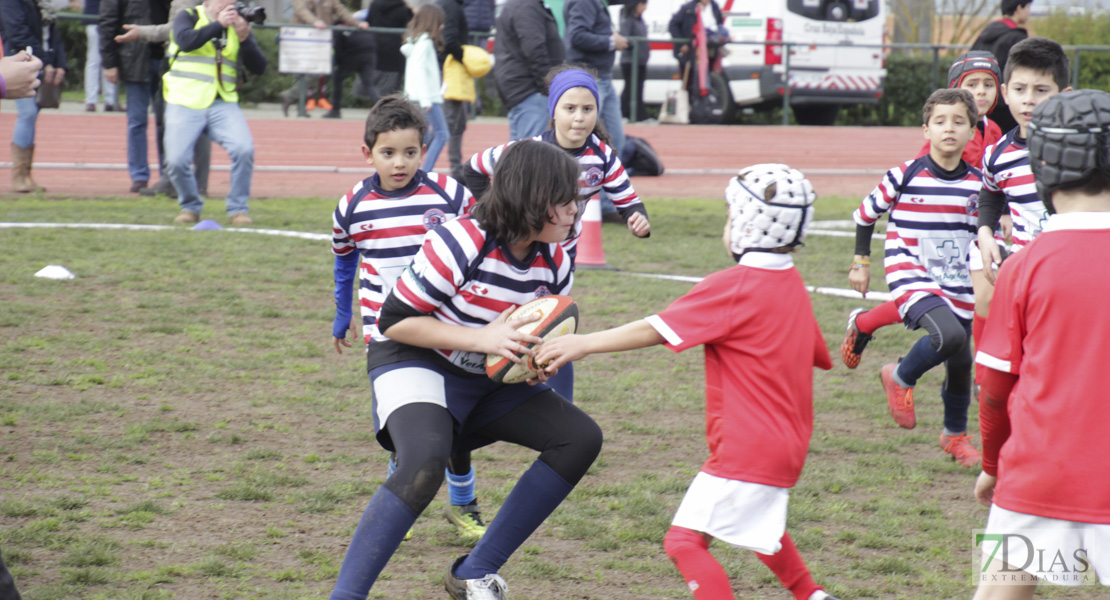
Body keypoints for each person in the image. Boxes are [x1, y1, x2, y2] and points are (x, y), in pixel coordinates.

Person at [534, 164, 839, 600]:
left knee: (683, 542)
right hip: (788, 443)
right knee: (758, 523)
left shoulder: (736, 285)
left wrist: (584, 344)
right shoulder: (791, 284)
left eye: (732, 217)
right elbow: (816, 354)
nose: (728, 226)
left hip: (748, 446)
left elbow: (656, 329)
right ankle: (812, 594)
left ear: (749, 224)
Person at [326, 139, 603, 600]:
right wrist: (482, 338)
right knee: (423, 463)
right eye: (565, 198)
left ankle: (475, 570)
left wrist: (537, 362)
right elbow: (395, 322)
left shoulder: (555, 261)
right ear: (534, 199)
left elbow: (528, 337)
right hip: (413, 357)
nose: (576, 209)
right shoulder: (463, 239)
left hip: (485, 378)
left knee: (579, 438)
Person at [972, 89, 1110, 598]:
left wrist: (992, 468)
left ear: (1043, 162)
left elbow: (992, 390)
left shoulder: (1024, 265)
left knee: (1000, 590)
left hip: (1039, 476)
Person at [330, 94, 486, 543]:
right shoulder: (352, 207)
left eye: (410, 152)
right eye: (388, 153)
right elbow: (344, 261)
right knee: (407, 424)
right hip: (387, 330)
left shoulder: (450, 195)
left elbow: (478, 246)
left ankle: (463, 504)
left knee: (454, 421)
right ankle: (402, 483)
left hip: (446, 326)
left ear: (424, 147)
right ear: (368, 153)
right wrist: (344, 313)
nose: (400, 162)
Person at [841, 51, 1006, 371]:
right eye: (972, 84)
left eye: (989, 84)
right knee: (959, 306)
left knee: (973, 308)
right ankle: (968, 377)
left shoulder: (994, 130)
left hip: (969, 233)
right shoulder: (945, 138)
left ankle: (964, 395)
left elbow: (994, 181)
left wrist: (1003, 213)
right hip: (931, 240)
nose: (982, 91)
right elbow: (921, 180)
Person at [848, 88, 983, 467]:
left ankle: (954, 436)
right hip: (910, 272)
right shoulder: (904, 174)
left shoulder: (979, 185)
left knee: (960, 362)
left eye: (959, 122)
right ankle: (900, 375)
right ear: (926, 130)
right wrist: (861, 260)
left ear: (972, 132)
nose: (949, 129)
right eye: (940, 122)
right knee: (951, 336)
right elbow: (864, 215)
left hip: (958, 280)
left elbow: (983, 232)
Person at [972, 37, 1070, 381]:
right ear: (1005, 91)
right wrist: (985, 233)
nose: (1029, 99)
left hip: (1071, 276)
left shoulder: (1084, 148)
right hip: (1025, 277)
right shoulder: (997, 154)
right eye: (1020, 88)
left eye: (1042, 90)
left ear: (1065, 93)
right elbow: (991, 194)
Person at [465, 66, 652, 242]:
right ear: (553, 110)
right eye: (570, 108)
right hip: (524, 245)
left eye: (587, 109)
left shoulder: (603, 157)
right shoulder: (529, 151)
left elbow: (628, 202)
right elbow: (472, 167)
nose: (579, 117)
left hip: (565, 250)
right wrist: (492, 213)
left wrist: (638, 219)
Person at [162, 0, 267, 226]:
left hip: (223, 102)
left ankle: (238, 209)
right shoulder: (188, 16)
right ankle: (190, 206)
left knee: (243, 149)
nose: (229, 5)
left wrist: (245, 39)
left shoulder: (238, 26)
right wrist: (217, 25)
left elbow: (260, 67)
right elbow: (185, 41)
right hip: (185, 100)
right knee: (176, 160)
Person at [110, 0, 213, 198]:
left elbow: (177, 31)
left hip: (185, 64)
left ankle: (177, 182)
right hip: (194, 63)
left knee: (176, 124)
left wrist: (141, 32)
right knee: (194, 125)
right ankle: (195, 183)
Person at [564, 0, 627, 221]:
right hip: (590, 77)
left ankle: (607, 207)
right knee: (583, 142)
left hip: (601, 77)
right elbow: (577, 36)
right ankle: (574, 202)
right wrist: (611, 41)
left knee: (614, 141)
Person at [100, 0, 171, 194]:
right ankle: (139, 176)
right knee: (137, 121)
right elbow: (107, 22)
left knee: (167, 122)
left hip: (167, 58)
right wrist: (109, 62)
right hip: (134, 58)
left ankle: (168, 175)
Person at [1, 0, 66, 194]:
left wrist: (60, 63)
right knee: (27, 113)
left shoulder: (41, 4)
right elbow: (17, 32)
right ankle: (18, 176)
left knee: (32, 115)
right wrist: (44, 62)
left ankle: (26, 175)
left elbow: (53, 36)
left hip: (39, 62)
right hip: (20, 64)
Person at [278, 0, 368, 117]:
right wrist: (315, 22)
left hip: (319, 40)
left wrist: (357, 23)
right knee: (299, 73)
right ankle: (300, 108)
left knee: (316, 72)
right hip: (299, 37)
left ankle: (289, 96)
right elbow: (301, 10)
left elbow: (342, 11)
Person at [492, 0, 564, 141]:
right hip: (530, 91)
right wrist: (548, 85)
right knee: (531, 154)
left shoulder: (523, 5)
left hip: (524, 89)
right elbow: (534, 49)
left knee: (519, 153)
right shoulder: (526, 6)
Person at [970, 0, 1032, 133]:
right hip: (1005, 105)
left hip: (982, 101)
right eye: (1027, 7)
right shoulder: (1016, 37)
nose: (1029, 12)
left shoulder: (985, 34)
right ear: (1019, 8)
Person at [400, 4, 448, 173]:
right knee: (442, 134)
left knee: (425, 136)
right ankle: (425, 172)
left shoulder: (416, 43)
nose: (442, 26)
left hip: (417, 96)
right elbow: (419, 71)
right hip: (426, 97)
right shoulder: (425, 43)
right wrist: (427, 100)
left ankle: (415, 168)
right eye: (440, 23)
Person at [668, 0, 726, 105]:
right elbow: (673, 25)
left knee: (707, 81)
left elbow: (719, 24)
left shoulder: (714, 6)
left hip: (709, 51)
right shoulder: (687, 8)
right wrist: (682, 43)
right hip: (691, 51)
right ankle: (688, 109)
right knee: (689, 82)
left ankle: (703, 109)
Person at [322, 11, 378, 120]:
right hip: (370, 53)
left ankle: (335, 110)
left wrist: (338, 63)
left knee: (338, 78)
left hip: (354, 53)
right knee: (369, 84)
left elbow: (338, 49)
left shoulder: (338, 28)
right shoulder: (361, 26)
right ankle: (383, 110)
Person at [437, 0, 469, 182]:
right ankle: (420, 162)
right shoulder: (451, 6)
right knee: (448, 123)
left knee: (457, 122)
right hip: (450, 70)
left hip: (450, 69)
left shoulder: (449, 5)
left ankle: (457, 169)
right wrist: (467, 58)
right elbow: (449, 40)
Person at [366, 0, 411, 99]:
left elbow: (369, 21)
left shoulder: (374, 4)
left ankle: (377, 106)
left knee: (373, 86)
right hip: (394, 50)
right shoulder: (402, 8)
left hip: (375, 47)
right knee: (391, 90)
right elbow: (408, 22)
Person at [84, 0, 121, 112]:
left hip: (110, 17)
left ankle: (109, 100)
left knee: (108, 59)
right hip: (96, 16)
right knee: (94, 60)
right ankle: (92, 100)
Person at [619, 0, 649, 123]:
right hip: (630, 60)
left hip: (640, 60)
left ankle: (635, 115)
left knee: (637, 88)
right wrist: (634, 44)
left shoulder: (640, 20)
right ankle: (626, 114)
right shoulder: (627, 19)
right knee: (630, 88)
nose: (645, 8)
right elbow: (625, 37)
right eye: (643, 4)